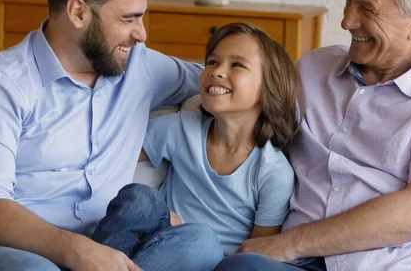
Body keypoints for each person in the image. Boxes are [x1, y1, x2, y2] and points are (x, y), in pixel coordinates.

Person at [0, 0, 221, 271]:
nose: (141, 34)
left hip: (107, 246)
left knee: (200, 244)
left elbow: (217, 80)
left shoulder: (141, 67)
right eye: (128, 19)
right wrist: (78, 252)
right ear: (78, 11)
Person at [215, 0, 411, 271]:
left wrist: (286, 244)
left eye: (367, 8)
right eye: (348, 0)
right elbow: (236, 89)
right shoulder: (313, 69)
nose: (347, 21)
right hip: (300, 265)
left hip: (407, 263)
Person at [90, 22, 303, 269]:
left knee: (200, 238)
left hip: (208, 261)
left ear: (269, 87)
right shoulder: (181, 129)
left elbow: (258, 254)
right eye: (212, 62)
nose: (216, 71)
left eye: (237, 64)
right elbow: (114, 155)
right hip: (154, 243)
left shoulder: (273, 173)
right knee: (141, 198)